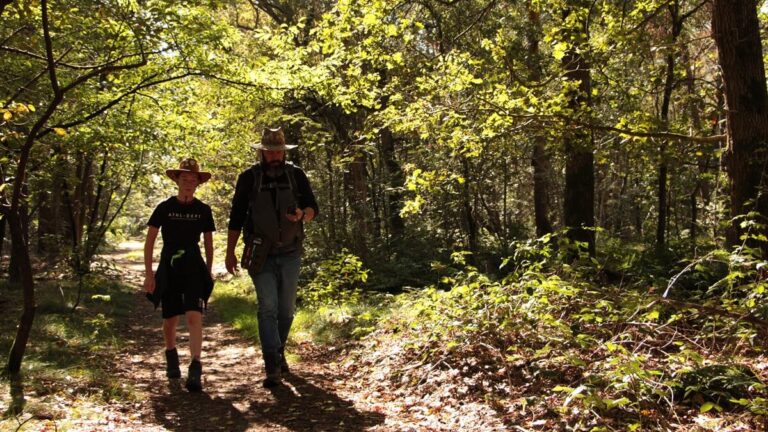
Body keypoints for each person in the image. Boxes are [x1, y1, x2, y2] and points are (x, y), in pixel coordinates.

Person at [225, 127, 318, 388]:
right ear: (262, 154)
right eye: (270, 152)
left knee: (286, 310)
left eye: (278, 151)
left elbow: (313, 208)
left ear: (284, 152)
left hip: (290, 252)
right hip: (260, 254)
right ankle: (272, 365)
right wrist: (230, 251)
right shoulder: (248, 178)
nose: (275, 156)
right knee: (268, 307)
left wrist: (302, 215)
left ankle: (277, 351)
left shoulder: (296, 175)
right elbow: (236, 216)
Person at [144, 158, 215, 392]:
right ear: (177, 180)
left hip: (194, 267)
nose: (188, 183)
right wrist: (149, 274)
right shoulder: (164, 207)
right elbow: (151, 239)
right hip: (169, 266)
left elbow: (208, 242)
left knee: (194, 316)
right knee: (170, 319)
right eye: (184, 178)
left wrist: (209, 270)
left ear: (197, 183)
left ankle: (195, 366)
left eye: (192, 179)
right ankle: (171, 355)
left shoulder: (203, 210)